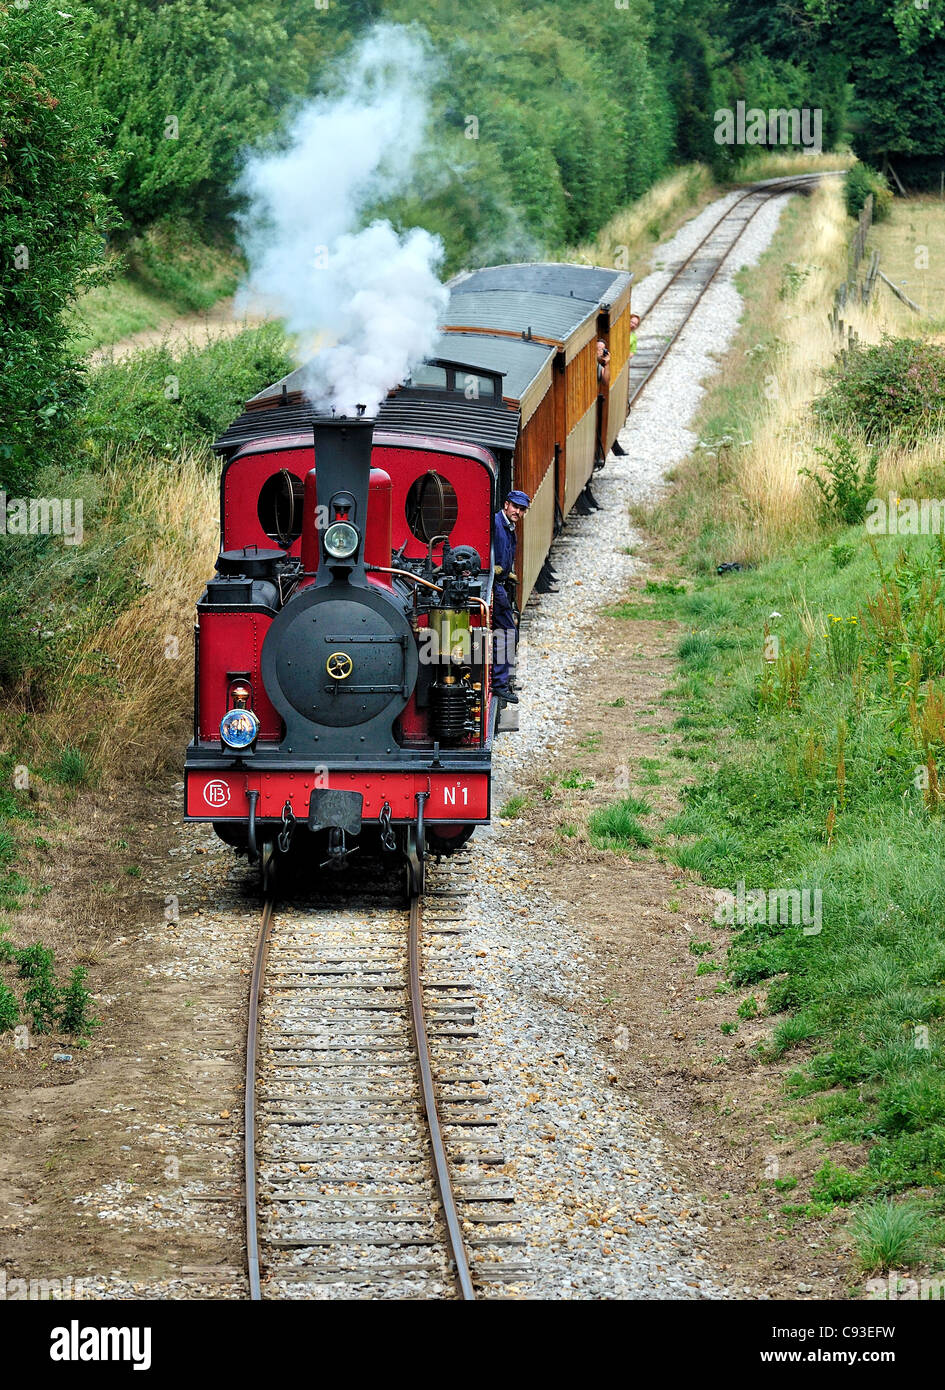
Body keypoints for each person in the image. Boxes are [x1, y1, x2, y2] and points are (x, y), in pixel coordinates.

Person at [491, 489, 530, 703]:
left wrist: (507, 572)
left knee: (506, 632)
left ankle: (499, 679)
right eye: (515, 506)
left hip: (500, 582)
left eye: (522, 509)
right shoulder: (498, 524)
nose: (517, 511)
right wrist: (495, 569)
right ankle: (499, 684)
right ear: (506, 504)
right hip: (494, 585)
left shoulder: (507, 525)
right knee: (507, 633)